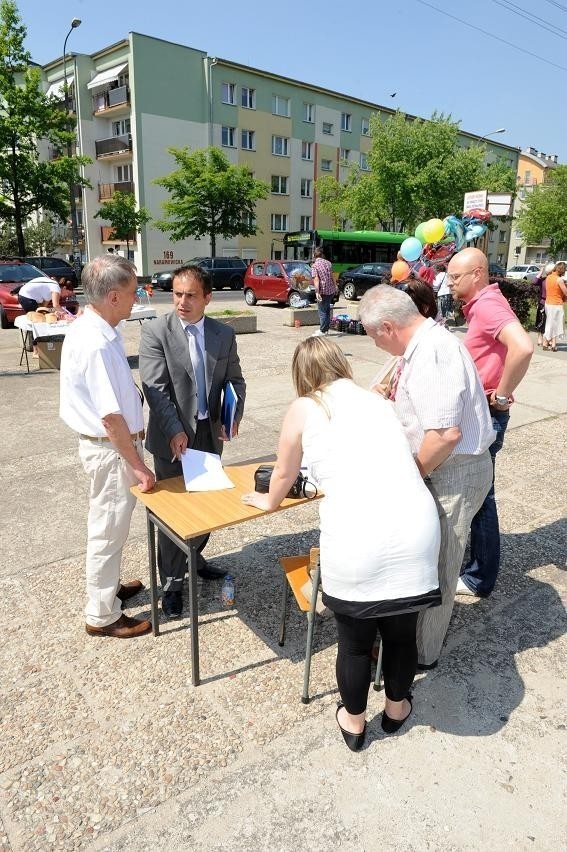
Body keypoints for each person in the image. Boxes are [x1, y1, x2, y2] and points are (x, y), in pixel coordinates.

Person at [242, 337, 441, 750]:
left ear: (303, 375)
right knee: (402, 634)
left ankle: (353, 723)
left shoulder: (305, 407)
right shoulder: (378, 403)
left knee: (354, 642)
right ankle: (396, 709)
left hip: (357, 536)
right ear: (340, 363)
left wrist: (266, 499)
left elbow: (283, 474)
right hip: (415, 525)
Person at [359, 285, 495, 669]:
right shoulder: (424, 344)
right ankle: (410, 642)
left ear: (388, 327)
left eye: (373, 337)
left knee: (439, 566)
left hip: (452, 470)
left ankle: (421, 655)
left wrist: (412, 475)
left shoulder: (432, 352)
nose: (375, 346)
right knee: (426, 559)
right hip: (447, 465)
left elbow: (444, 435)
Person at [139, 264, 246, 619]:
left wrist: (232, 417)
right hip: (173, 436)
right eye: (177, 294)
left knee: (207, 503)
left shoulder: (222, 334)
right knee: (173, 515)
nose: (182, 302)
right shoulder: (156, 331)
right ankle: (171, 584)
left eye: (190, 295)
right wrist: (174, 430)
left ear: (207, 298)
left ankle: (195, 557)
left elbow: (236, 381)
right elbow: (155, 388)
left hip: (208, 432)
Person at [59, 255, 155, 639]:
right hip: (112, 449)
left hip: (110, 447)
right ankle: (102, 615)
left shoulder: (96, 328)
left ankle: (109, 588)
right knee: (107, 530)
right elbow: (110, 418)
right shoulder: (96, 342)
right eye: (133, 292)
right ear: (113, 296)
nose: (137, 299)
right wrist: (137, 464)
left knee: (110, 525)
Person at [446, 247, 534, 597]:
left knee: (482, 496)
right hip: (485, 412)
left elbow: (523, 347)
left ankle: (478, 577)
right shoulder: (484, 304)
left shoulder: (487, 304)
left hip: (488, 413)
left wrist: (501, 394)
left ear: (477, 274)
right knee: (482, 492)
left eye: (456, 277)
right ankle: (478, 568)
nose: (449, 283)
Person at [18, 275, 62, 358]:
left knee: (39, 323)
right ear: (64, 288)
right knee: (37, 325)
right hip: (28, 298)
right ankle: (35, 352)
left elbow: (43, 308)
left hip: (24, 296)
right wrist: (65, 314)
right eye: (68, 292)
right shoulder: (56, 288)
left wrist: (49, 312)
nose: (62, 296)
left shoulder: (50, 287)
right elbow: (56, 305)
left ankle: (39, 349)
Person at [311, 247, 338, 336]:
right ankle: (325, 329)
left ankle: (322, 330)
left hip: (322, 290)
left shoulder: (315, 266)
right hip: (331, 290)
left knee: (322, 311)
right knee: (326, 310)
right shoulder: (328, 263)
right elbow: (332, 276)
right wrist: (335, 286)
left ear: (315, 256)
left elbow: (316, 279)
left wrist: (317, 292)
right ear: (322, 255)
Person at [543, 261, 567, 352]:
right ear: (562, 270)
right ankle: (546, 342)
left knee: (551, 323)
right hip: (556, 304)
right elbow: (566, 293)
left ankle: (553, 344)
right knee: (554, 324)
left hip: (548, 303)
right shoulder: (559, 280)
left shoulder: (549, 277)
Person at [533, 263, 554, 348]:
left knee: (550, 322)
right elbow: (534, 282)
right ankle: (540, 338)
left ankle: (548, 339)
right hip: (543, 303)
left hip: (552, 303)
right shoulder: (543, 280)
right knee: (541, 321)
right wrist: (541, 271)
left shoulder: (557, 280)